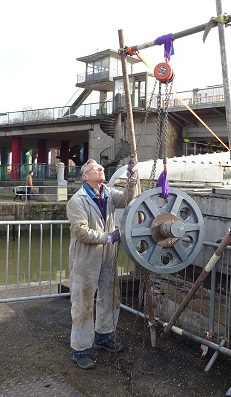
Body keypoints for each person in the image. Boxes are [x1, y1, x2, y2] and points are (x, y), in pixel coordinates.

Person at [66, 158, 137, 370]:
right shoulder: (77, 201)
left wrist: (132, 179)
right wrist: (108, 237)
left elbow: (127, 199)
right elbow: (80, 231)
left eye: (101, 167)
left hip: (107, 256)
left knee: (110, 296)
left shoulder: (108, 193)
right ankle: (81, 350)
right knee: (83, 302)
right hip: (86, 257)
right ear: (85, 176)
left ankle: (103, 336)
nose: (101, 169)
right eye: (96, 168)